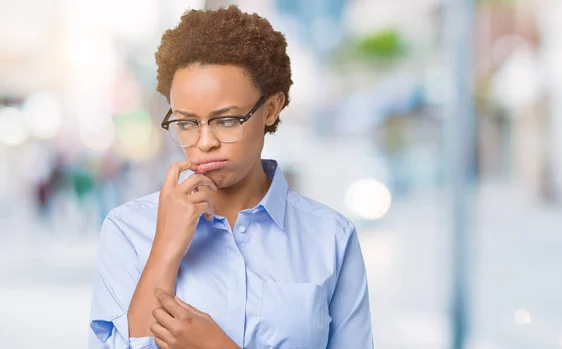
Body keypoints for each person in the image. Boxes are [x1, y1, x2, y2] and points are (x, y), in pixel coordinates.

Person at [89, 5, 373, 349]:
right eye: (187, 123)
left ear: (271, 109)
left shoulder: (331, 239)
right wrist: (165, 247)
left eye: (226, 120)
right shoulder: (127, 231)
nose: (205, 142)